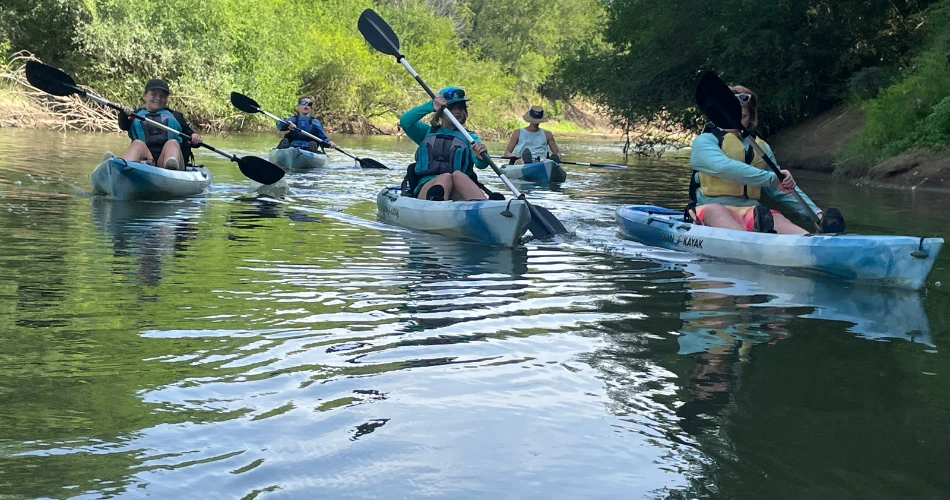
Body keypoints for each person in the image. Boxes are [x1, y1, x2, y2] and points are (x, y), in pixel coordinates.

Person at [689, 85, 844, 234]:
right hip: (710, 208)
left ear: (750, 118)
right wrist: (772, 178)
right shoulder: (704, 141)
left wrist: (816, 214)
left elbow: (781, 189)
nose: (736, 121)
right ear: (719, 115)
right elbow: (724, 168)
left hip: (752, 211)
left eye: (743, 116)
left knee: (779, 220)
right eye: (731, 115)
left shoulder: (761, 147)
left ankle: (809, 243)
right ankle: (748, 241)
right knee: (716, 211)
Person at [398, 86, 491, 201]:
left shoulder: (470, 138)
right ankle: (437, 202)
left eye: (461, 108)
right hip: (427, 187)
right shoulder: (426, 132)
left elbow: (481, 165)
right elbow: (405, 122)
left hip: (458, 191)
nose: (457, 111)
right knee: (446, 177)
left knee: (457, 175)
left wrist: (481, 157)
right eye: (452, 108)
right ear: (441, 111)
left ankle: (484, 205)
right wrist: (430, 106)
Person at [107, 79, 202, 170]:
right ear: (145, 95)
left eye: (162, 96)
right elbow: (123, 126)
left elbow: (192, 139)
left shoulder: (176, 116)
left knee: (172, 143)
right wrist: (123, 114)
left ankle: (171, 168)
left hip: (171, 163)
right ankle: (117, 166)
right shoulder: (135, 115)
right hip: (148, 161)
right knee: (137, 143)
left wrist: (195, 138)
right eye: (153, 94)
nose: (158, 98)